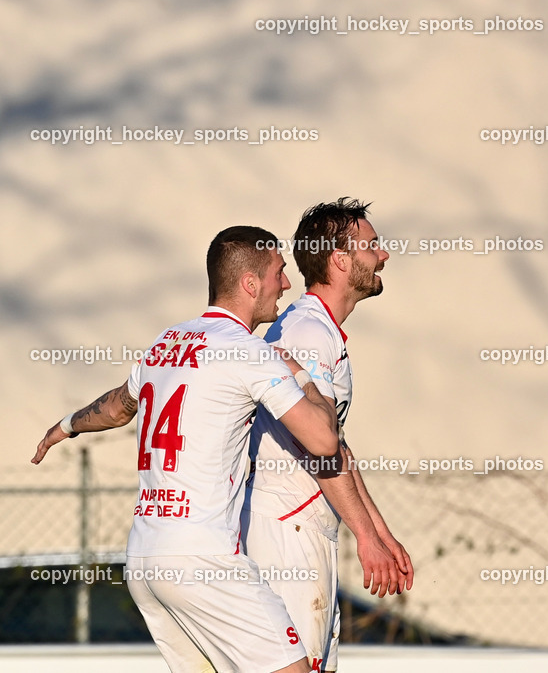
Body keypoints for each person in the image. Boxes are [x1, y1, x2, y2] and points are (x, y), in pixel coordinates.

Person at [32, 226, 345, 673]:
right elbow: (324, 441)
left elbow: (119, 407)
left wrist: (66, 425)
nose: (286, 284)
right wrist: (305, 377)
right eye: (279, 272)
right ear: (250, 283)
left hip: (144, 559)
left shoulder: (166, 343)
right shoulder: (250, 352)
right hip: (204, 559)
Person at [243, 198, 414, 673]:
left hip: (301, 526)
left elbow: (335, 445)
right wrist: (365, 536)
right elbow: (316, 449)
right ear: (340, 261)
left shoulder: (318, 330)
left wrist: (379, 532)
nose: (383, 256)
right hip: (286, 530)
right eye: (373, 246)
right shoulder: (307, 334)